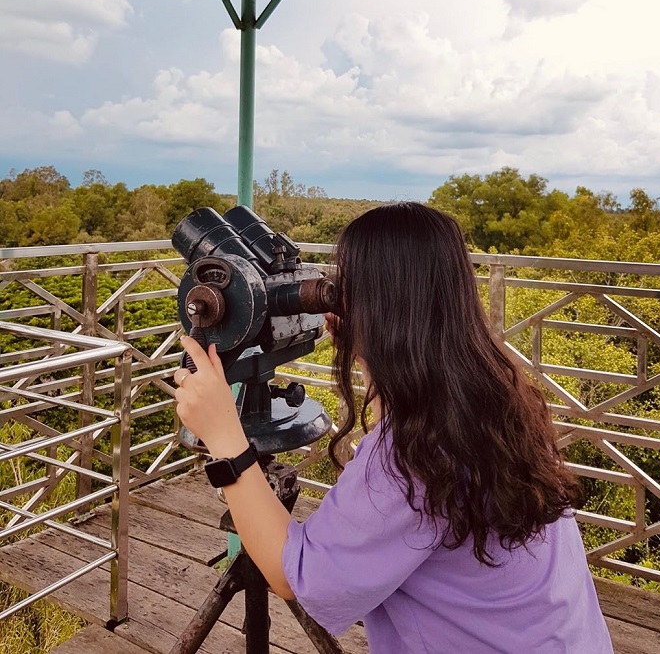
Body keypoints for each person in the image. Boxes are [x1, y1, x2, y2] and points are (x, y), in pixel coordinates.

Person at [174, 202, 613, 653]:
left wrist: (225, 438)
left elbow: (295, 576)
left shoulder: (410, 455)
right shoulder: (495, 396)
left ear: (382, 307)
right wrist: (371, 351)